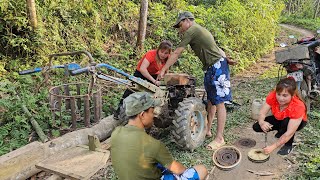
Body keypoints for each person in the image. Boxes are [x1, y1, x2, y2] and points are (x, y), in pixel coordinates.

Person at [157, 11, 236, 150]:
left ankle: (220, 138)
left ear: (187, 20)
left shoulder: (192, 30)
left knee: (220, 103)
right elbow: (215, 47)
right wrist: (226, 58)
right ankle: (208, 130)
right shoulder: (200, 31)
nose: (180, 29)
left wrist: (163, 70)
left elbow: (176, 52)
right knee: (211, 100)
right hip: (212, 67)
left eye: (180, 25)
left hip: (217, 67)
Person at [111, 92, 208, 180]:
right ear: (142, 115)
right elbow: (178, 170)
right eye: (152, 112)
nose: (153, 116)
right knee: (201, 169)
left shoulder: (116, 133)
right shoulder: (152, 144)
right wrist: (182, 170)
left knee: (158, 164)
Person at [114, 40, 172, 119]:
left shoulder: (168, 58)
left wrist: (162, 76)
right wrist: (154, 81)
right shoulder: (151, 54)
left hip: (154, 75)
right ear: (158, 49)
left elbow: (166, 71)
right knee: (131, 90)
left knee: (153, 93)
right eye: (162, 52)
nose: (163, 55)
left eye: (166, 53)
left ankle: (144, 113)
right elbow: (143, 69)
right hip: (141, 73)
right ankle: (119, 111)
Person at [252, 78, 308, 155]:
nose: (281, 99)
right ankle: (281, 130)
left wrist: (273, 146)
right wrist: (262, 122)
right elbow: (262, 113)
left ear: (292, 95)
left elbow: (289, 133)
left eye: (285, 96)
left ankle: (288, 145)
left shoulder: (298, 106)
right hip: (279, 117)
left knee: (286, 125)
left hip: (295, 122)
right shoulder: (273, 95)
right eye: (279, 94)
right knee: (256, 127)